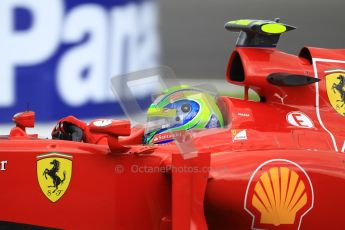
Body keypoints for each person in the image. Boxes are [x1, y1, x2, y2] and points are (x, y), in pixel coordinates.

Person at [52, 86, 225, 145]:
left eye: (159, 122)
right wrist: (85, 134)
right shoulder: (143, 137)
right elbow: (128, 140)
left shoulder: (189, 163)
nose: (152, 126)